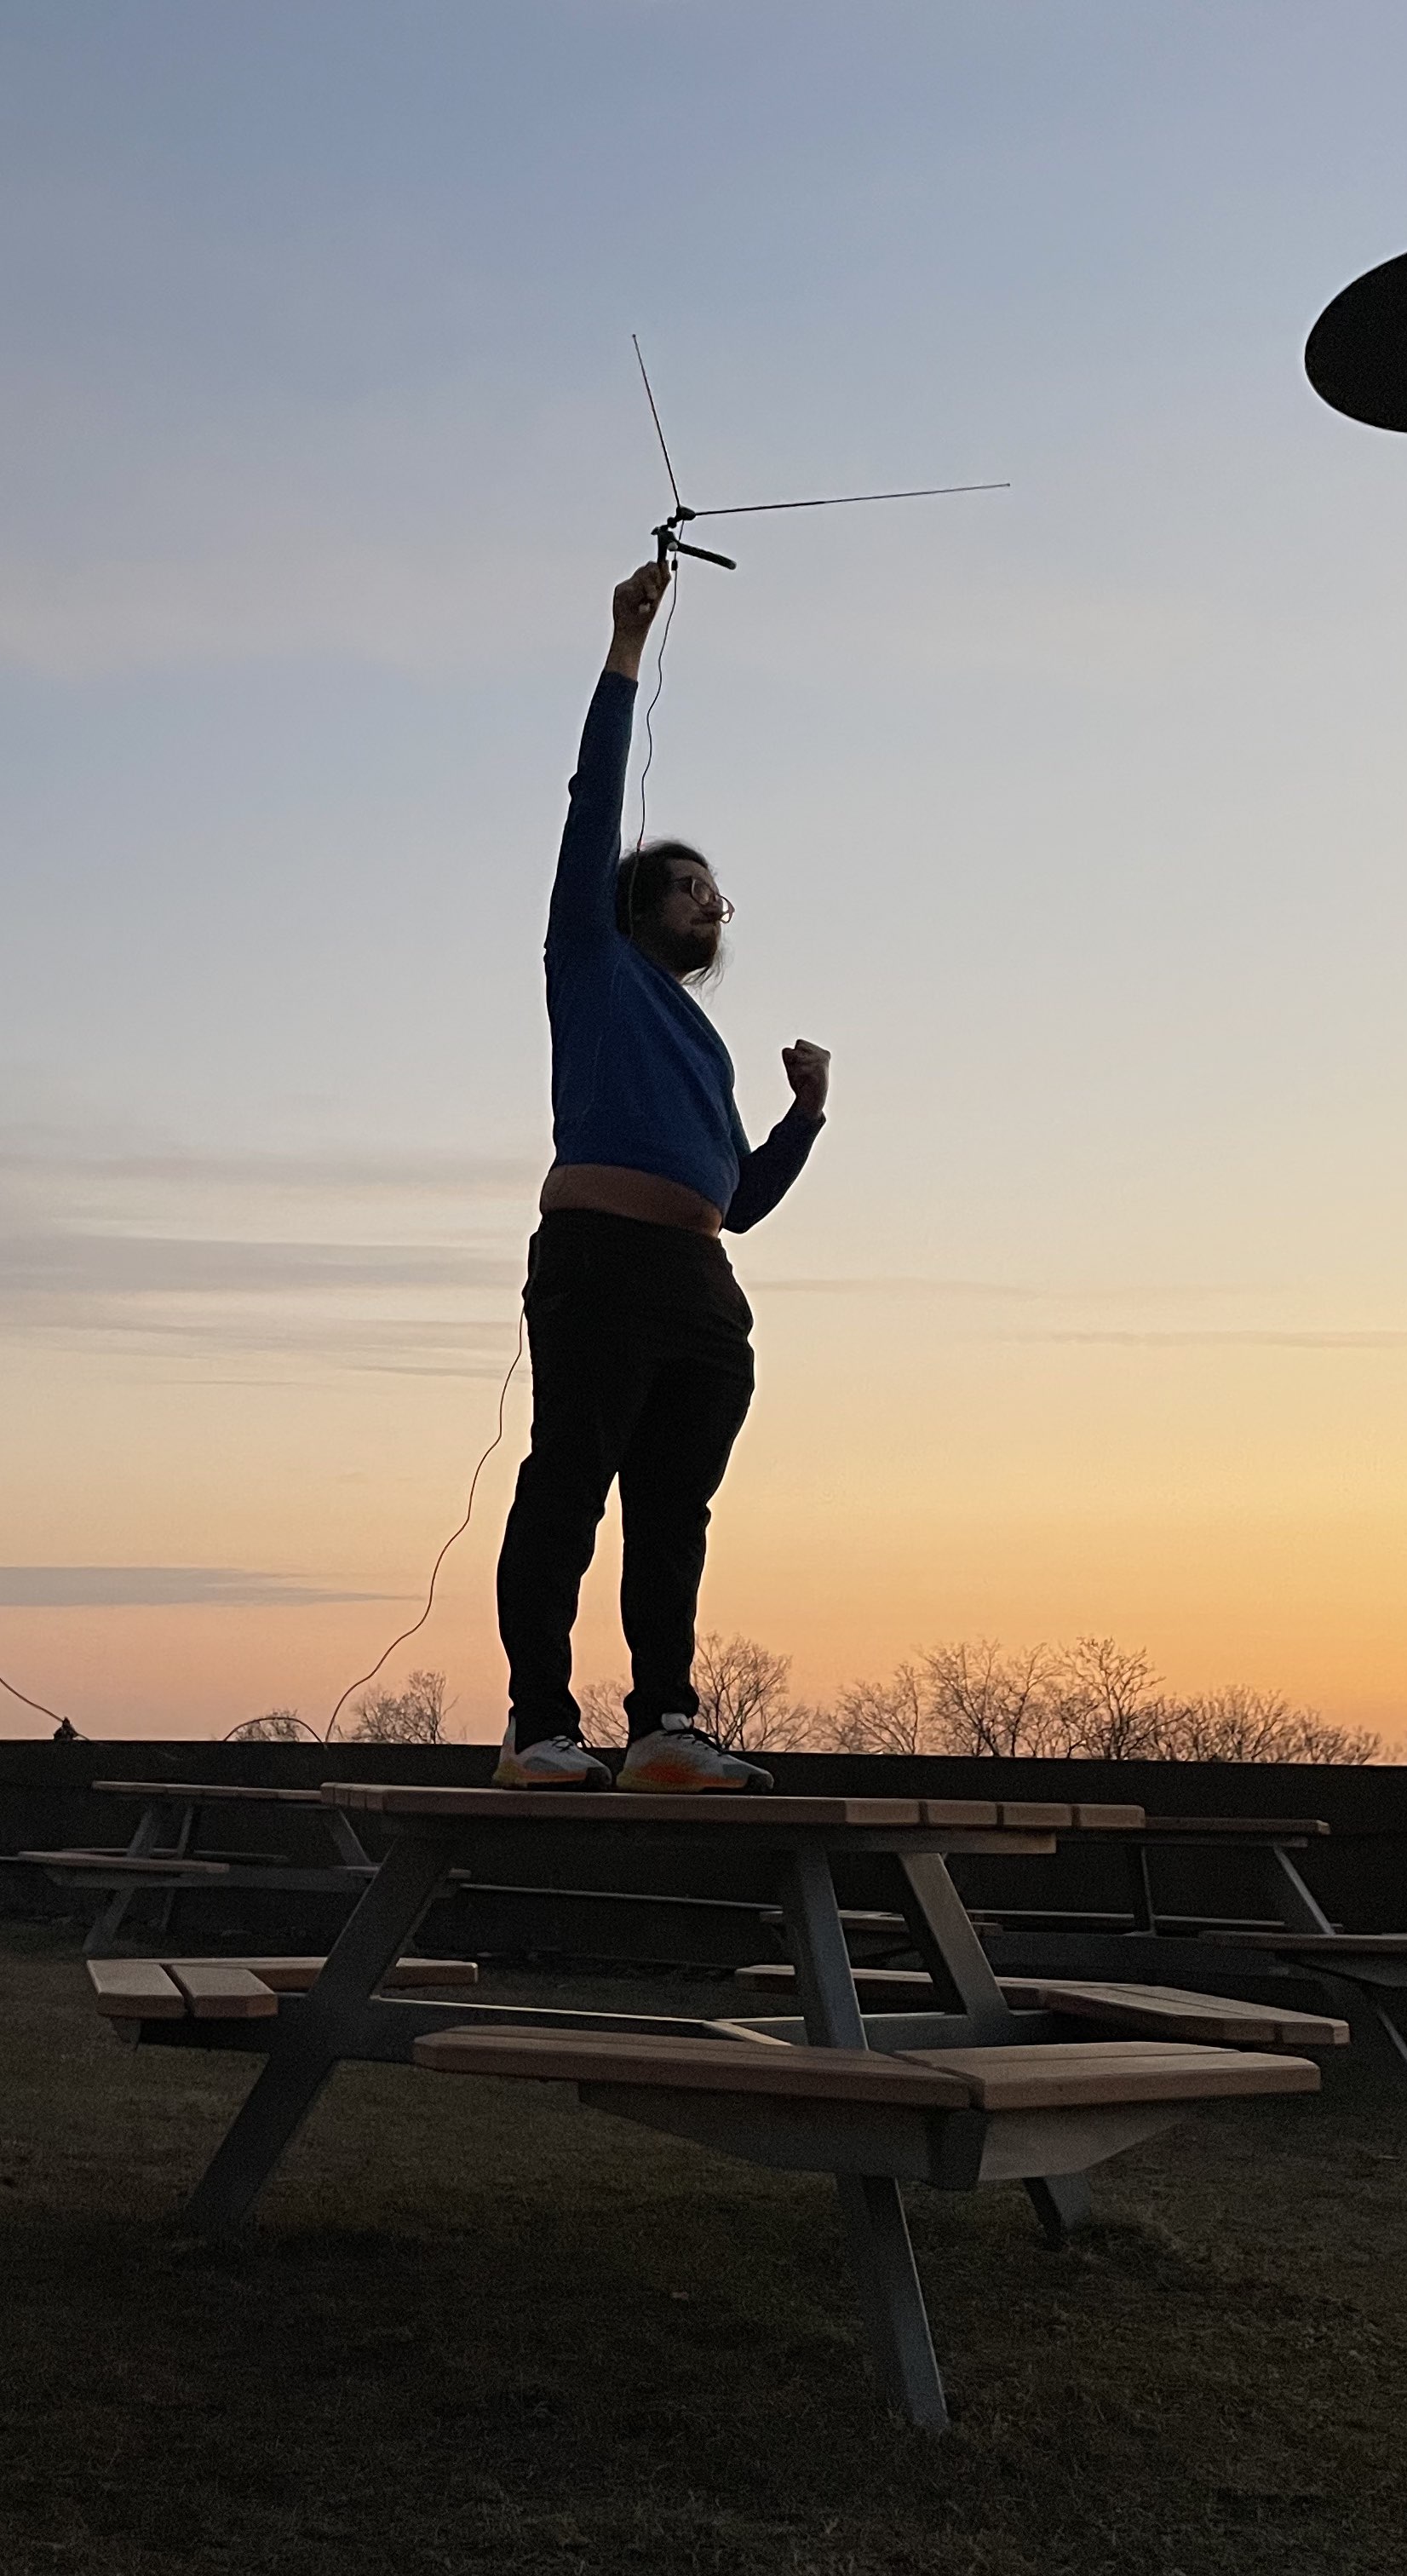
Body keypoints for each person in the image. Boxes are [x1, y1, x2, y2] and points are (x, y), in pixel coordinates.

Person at [492, 561, 831, 1794]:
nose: (712, 907)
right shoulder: (590, 957)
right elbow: (592, 802)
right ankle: (539, 1728)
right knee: (569, 1485)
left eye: (717, 896)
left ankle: (662, 1729)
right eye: (691, 888)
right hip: (598, 1264)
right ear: (638, 904)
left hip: (702, 1283)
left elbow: (736, 1197)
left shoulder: (703, 1040)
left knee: (673, 1514)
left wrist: (806, 1116)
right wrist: (624, 648)